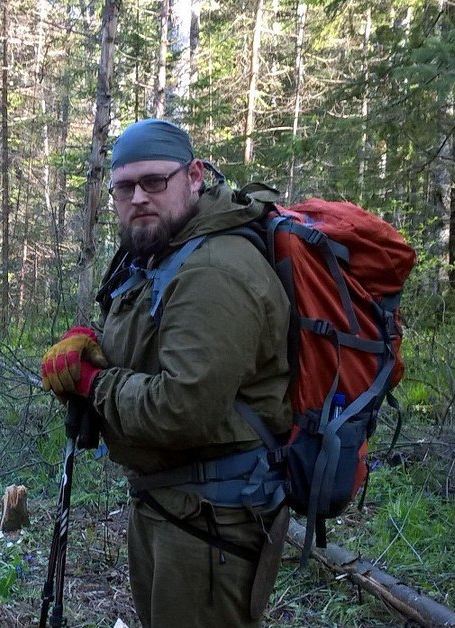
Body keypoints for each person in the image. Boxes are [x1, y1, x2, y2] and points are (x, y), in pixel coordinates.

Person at [41, 119, 293, 627]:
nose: (138, 197)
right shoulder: (166, 251)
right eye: (125, 186)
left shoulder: (216, 270)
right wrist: (92, 344)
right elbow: (157, 345)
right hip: (173, 504)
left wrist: (93, 383)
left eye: (154, 181)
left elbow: (183, 408)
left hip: (212, 525)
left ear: (193, 176)